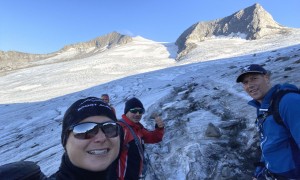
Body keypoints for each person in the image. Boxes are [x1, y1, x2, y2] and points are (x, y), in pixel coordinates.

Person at [236, 64, 300, 179]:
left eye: (254, 78)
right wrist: (259, 172)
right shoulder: (263, 107)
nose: (250, 85)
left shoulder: (288, 101)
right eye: (245, 82)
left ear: (266, 77)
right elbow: (268, 143)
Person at [117, 97, 164, 180]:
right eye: (134, 111)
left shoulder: (137, 127)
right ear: (126, 111)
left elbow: (153, 138)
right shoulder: (120, 128)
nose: (138, 114)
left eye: (140, 111)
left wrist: (159, 128)